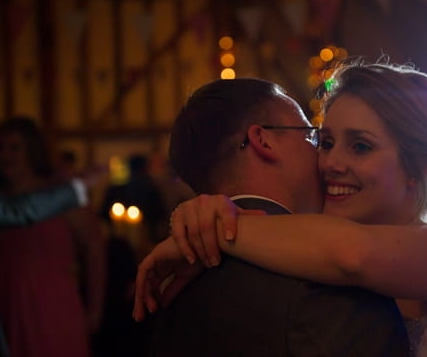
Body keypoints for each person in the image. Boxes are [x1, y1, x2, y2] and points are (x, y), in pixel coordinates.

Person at [142, 61, 427, 356]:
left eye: (360, 146)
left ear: (418, 165)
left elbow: (357, 255)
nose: (331, 163)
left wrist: (217, 225)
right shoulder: (314, 253)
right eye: (325, 142)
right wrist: (200, 217)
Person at [134, 78, 409, 356]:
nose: (324, 158)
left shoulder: (172, 284)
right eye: (312, 136)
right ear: (263, 141)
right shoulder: (329, 279)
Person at [0, 117, 105, 357]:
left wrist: (95, 308)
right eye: (0, 148)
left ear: (31, 151)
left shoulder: (59, 196)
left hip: (52, 307)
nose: (6, 155)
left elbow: (94, 247)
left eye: (15, 147)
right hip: (1, 306)